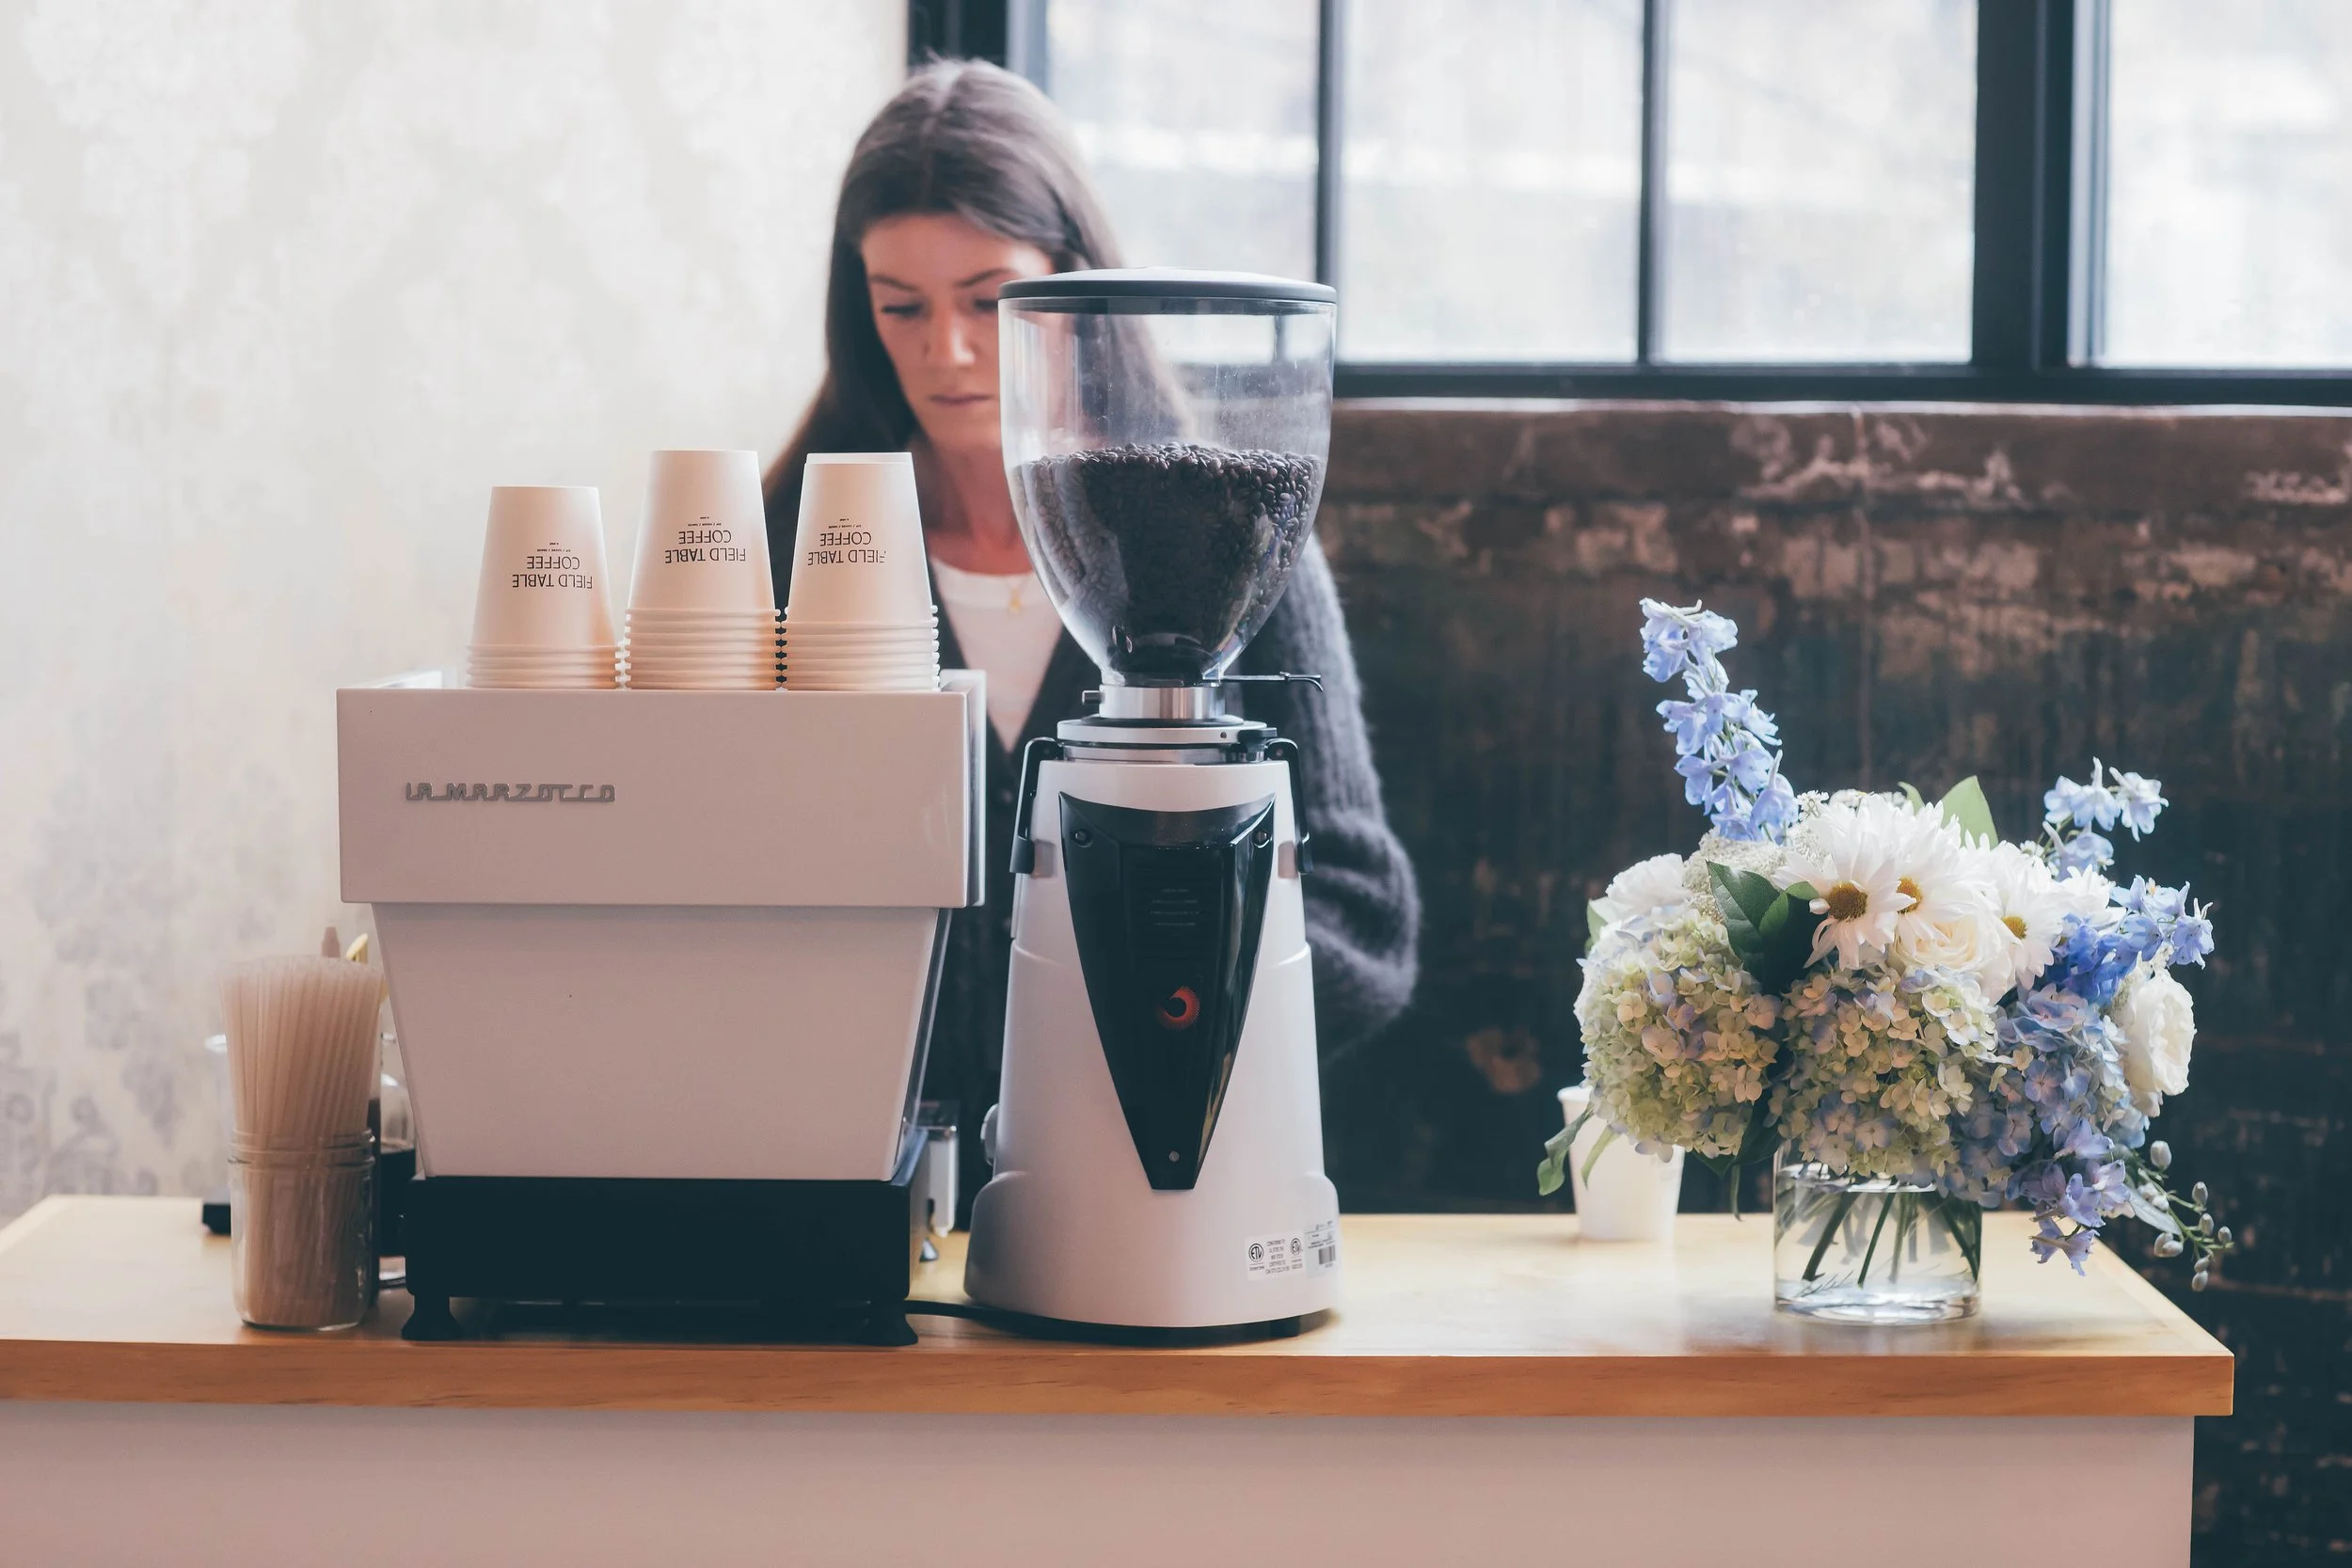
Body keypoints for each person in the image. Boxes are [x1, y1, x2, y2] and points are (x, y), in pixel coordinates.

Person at [766, 60, 1419, 1220]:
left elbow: (1361, 922)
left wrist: (1149, 1037)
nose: (950, 352)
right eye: (901, 306)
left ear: (1074, 284)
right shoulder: (780, 550)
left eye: (988, 297)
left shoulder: (1239, 535)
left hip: (1170, 1195)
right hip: (843, 1193)